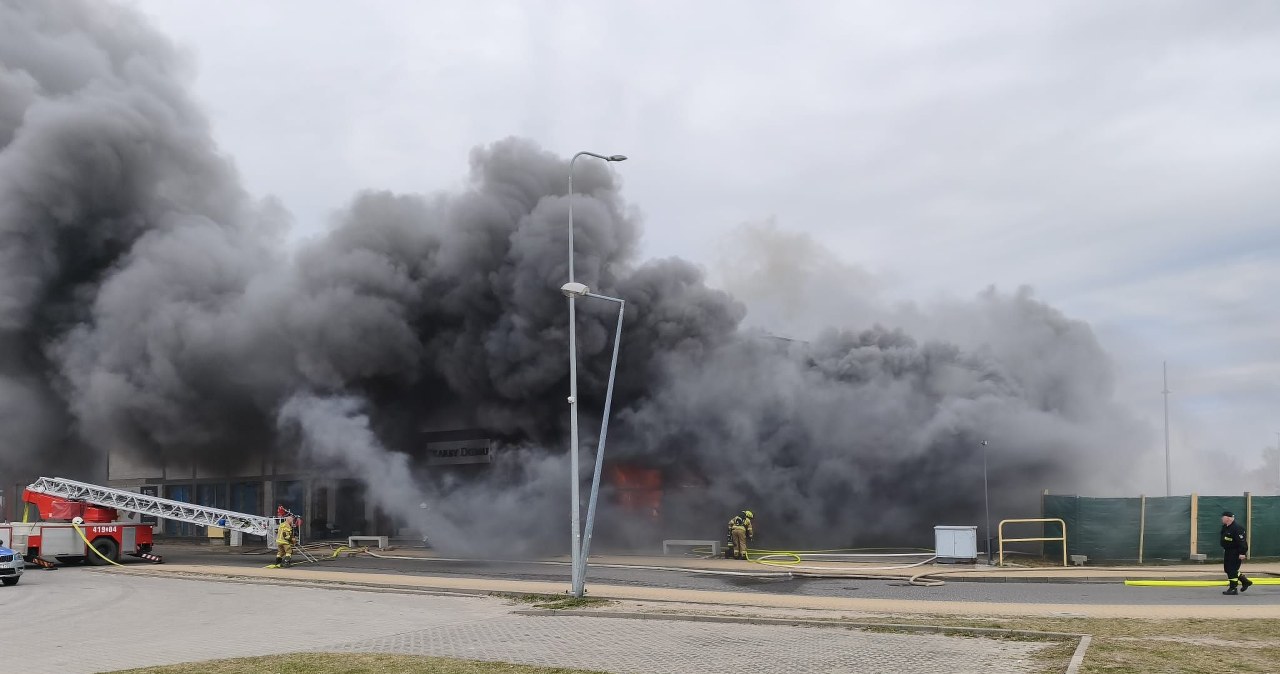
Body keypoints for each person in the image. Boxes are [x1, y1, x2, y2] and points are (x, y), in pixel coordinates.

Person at [1220, 511, 1252, 595]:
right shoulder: (1225, 527)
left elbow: (1242, 541)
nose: (1221, 519)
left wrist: (1242, 553)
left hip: (1236, 552)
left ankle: (1233, 588)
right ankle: (1245, 581)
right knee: (1228, 569)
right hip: (1228, 551)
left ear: (1228, 518)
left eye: (1223, 517)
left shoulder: (1237, 528)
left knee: (1232, 570)